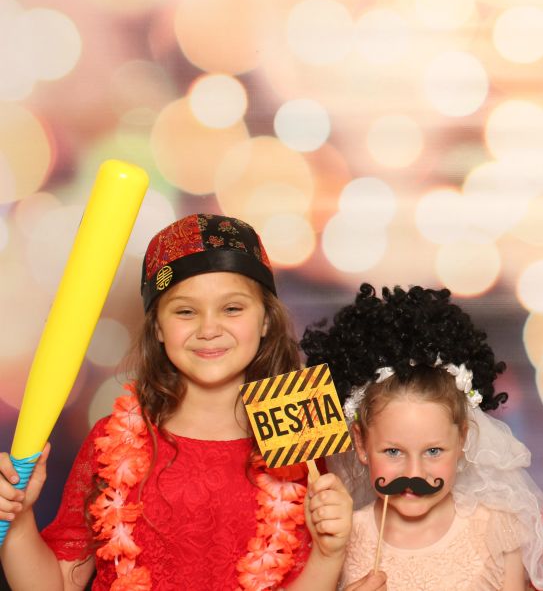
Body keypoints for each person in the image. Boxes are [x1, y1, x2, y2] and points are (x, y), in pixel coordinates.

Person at [0, 213, 361, 591]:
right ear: (158, 326)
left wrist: (328, 553)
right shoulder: (111, 442)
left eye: (232, 308)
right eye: (186, 311)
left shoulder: (299, 439)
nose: (209, 329)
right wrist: (18, 521)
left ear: (266, 320)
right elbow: (56, 584)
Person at [300, 283, 543, 591]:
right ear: (361, 443)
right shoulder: (341, 536)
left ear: (462, 439)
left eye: (434, 451)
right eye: (393, 452)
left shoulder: (498, 529)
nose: (414, 473)